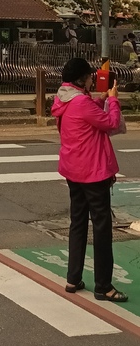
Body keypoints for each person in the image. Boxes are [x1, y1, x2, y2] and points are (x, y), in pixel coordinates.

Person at [52, 57, 127, 303]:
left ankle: (73, 278)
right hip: (93, 172)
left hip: (73, 170)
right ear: (81, 79)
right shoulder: (82, 102)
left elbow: (84, 109)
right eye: (89, 76)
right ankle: (103, 286)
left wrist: (102, 99)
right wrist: (113, 100)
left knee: (78, 223)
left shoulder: (64, 98)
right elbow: (111, 123)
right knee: (102, 228)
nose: (92, 79)